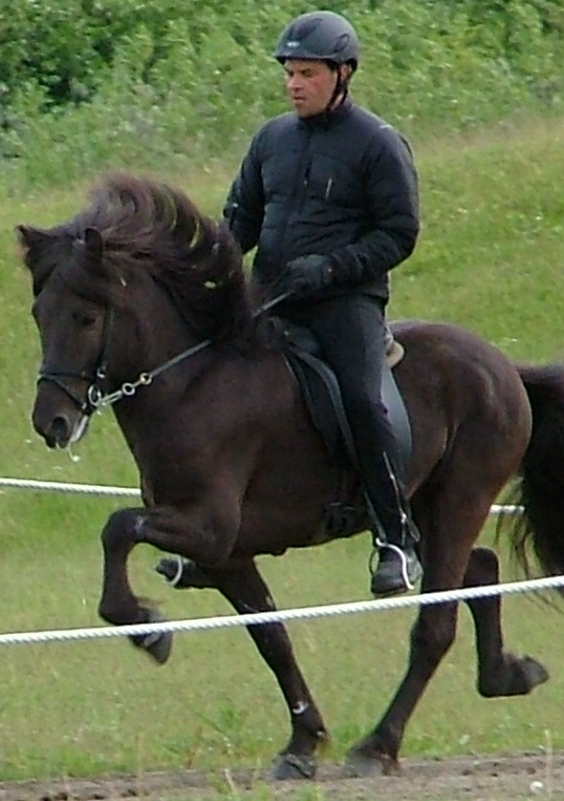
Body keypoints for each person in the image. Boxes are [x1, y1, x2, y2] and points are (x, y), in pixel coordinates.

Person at [222, 9, 422, 597]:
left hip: (345, 304)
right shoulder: (271, 139)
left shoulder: (379, 144)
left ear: (342, 75)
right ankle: (212, 526)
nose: (293, 84)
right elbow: (241, 220)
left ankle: (395, 538)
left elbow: (398, 233)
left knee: (362, 400)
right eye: (289, 73)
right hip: (272, 295)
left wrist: (333, 267)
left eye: (306, 73)